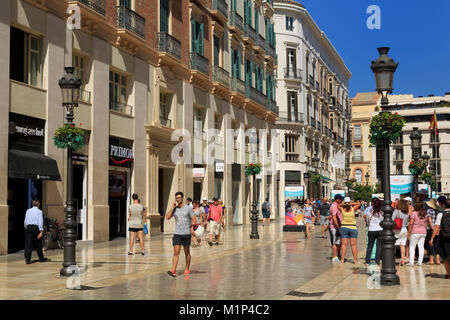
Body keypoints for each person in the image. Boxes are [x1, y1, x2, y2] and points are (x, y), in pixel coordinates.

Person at [166, 191, 196, 277]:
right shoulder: (175, 209)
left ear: (182, 198)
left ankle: (187, 269)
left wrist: (192, 228)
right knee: (176, 252)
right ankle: (173, 270)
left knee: (187, 252)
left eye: (179, 198)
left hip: (186, 233)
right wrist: (172, 207)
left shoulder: (188, 208)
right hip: (177, 233)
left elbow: (193, 218)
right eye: (176, 198)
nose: (177, 199)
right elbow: (167, 217)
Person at [429, 198, 450, 278]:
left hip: (444, 238)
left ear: (444, 205)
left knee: (446, 257)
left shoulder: (441, 214)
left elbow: (437, 227)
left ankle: (448, 274)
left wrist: (432, 238)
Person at [24, 200, 48, 264]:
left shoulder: (28, 211)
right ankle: (41, 258)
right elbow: (40, 221)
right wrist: (41, 231)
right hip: (35, 228)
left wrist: (26, 227)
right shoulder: (39, 211)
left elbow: (25, 221)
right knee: (38, 243)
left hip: (28, 228)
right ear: (38, 205)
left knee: (28, 243)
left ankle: (27, 259)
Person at [339, 197, 361, 264]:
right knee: (353, 245)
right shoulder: (353, 209)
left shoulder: (342, 209)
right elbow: (358, 204)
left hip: (344, 227)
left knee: (344, 245)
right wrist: (350, 203)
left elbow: (338, 205)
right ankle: (355, 260)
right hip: (353, 228)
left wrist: (344, 204)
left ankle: (342, 260)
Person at [407, 201, 428, 266]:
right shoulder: (425, 214)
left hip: (415, 232)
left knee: (412, 247)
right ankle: (420, 262)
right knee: (421, 247)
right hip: (423, 232)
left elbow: (411, 223)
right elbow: (426, 224)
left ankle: (411, 262)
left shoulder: (414, 213)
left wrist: (409, 232)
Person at [364, 198, 383, 266]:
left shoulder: (369, 211)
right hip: (380, 229)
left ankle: (367, 261)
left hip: (371, 229)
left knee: (370, 246)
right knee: (379, 246)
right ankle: (377, 261)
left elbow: (367, 220)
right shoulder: (381, 212)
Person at [393, 199, 410, 266]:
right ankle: (402, 259)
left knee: (393, 244)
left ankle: (392, 258)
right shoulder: (406, 213)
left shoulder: (396, 211)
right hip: (404, 229)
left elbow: (392, 219)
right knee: (402, 245)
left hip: (397, 229)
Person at [425, 198, 441, 265]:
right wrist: (436, 230)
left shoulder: (429, 211)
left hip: (431, 229)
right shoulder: (437, 211)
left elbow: (430, 221)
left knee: (430, 244)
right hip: (437, 229)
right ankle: (438, 260)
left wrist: (432, 229)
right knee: (436, 244)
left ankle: (431, 260)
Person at [329, 194, 343, 263]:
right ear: (337, 199)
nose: (341, 201)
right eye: (340, 199)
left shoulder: (337, 206)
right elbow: (334, 217)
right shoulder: (334, 206)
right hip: (335, 227)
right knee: (335, 241)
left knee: (338, 241)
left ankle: (338, 255)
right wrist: (338, 227)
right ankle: (334, 256)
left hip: (338, 226)